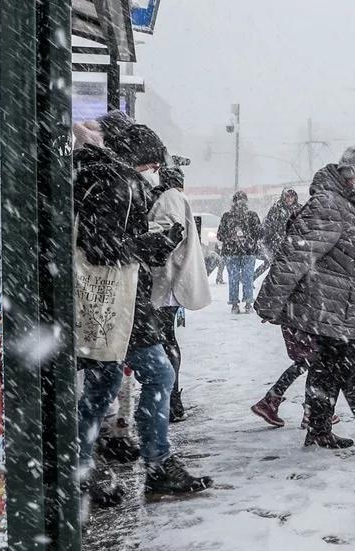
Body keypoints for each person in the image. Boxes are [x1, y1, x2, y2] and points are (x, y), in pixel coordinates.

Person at [74, 123, 213, 507]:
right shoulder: (116, 181)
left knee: (104, 384)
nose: (154, 169)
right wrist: (151, 244)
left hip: (114, 302)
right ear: (137, 159)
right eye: (151, 162)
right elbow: (101, 246)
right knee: (157, 374)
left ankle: (85, 467)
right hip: (115, 301)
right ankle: (155, 465)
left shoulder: (104, 176)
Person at [255, 145, 355, 453]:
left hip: (339, 304)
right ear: (351, 175)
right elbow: (293, 256)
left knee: (326, 368)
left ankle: (319, 431)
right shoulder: (329, 204)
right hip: (327, 305)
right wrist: (270, 302)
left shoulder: (349, 205)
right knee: (353, 365)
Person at [148, 166, 212, 422]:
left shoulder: (170, 197)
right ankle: (171, 400)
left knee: (164, 341)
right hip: (168, 282)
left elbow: (168, 233)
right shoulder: (175, 196)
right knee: (166, 340)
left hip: (165, 282)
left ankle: (171, 399)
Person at [218, 191, 262, 313]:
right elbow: (220, 235)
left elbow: (260, 233)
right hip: (241, 252)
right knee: (241, 278)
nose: (240, 203)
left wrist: (245, 237)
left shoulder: (248, 216)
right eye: (238, 200)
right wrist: (232, 236)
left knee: (240, 278)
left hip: (241, 252)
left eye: (241, 200)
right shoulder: (230, 216)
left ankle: (240, 304)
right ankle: (242, 304)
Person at [254, 188, 300, 280]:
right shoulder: (276, 208)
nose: (290, 199)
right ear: (283, 197)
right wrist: (270, 235)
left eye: (292, 197)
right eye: (288, 196)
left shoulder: (298, 208)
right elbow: (268, 223)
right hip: (276, 241)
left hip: (292, 242)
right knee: (272, 264)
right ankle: (254, 278)